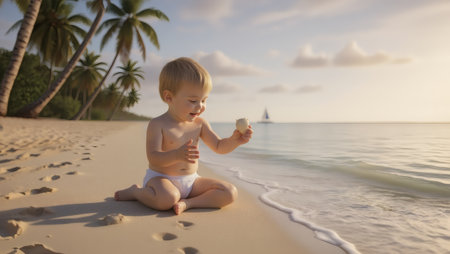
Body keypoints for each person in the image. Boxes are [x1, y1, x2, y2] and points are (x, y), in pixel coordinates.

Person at [114, 57, 253, 215]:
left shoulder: (200, 124)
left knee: (229, 192)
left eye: (204, 100)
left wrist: (235, 141)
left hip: (191, 181)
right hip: (160, 180)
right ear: (169, 97)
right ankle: (136, 192)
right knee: (167, 198)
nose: (200, 106)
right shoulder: (158, 124)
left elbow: (219, 146)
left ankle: (189, 203)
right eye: (193, 100)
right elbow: (153, 157)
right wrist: (177, 154)